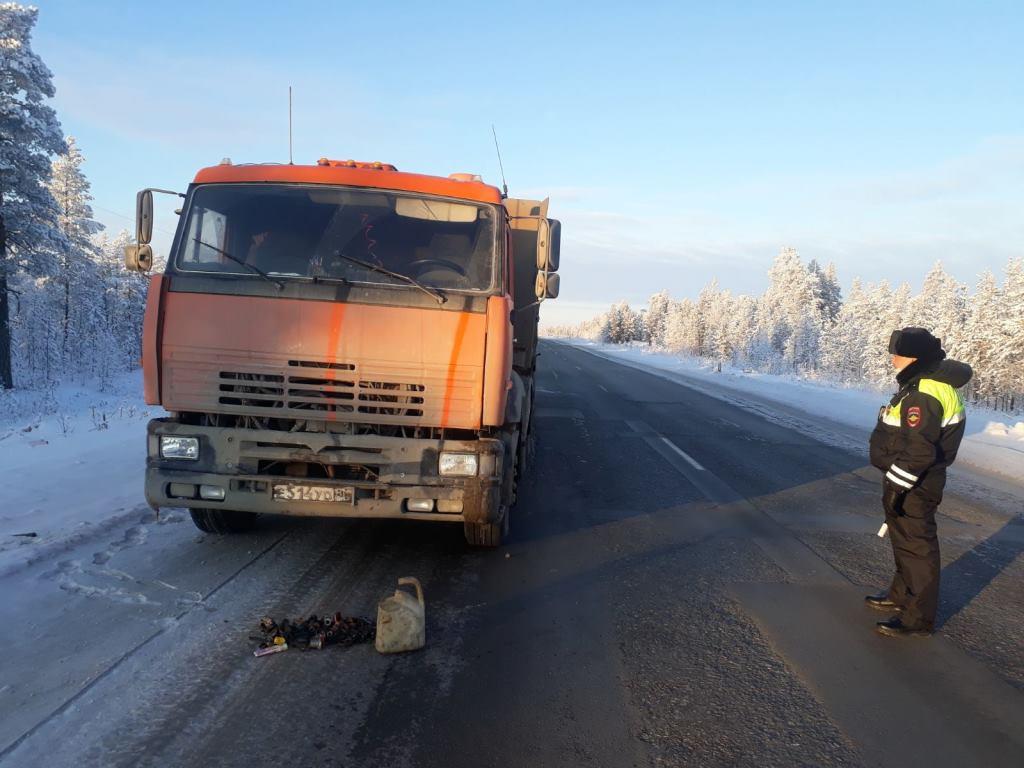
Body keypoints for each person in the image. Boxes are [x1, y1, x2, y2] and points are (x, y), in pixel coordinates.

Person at [867, 327, 972, 637]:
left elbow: (920, 450)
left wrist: (898, 486)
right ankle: (900, 596)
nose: (892, 360)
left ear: (913, 357)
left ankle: (917, 618)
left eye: (896, 354)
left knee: (917, 547)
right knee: (904, 541)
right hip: (909, 478)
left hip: (915, 482)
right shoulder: (921, 384)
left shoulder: (924, 392)